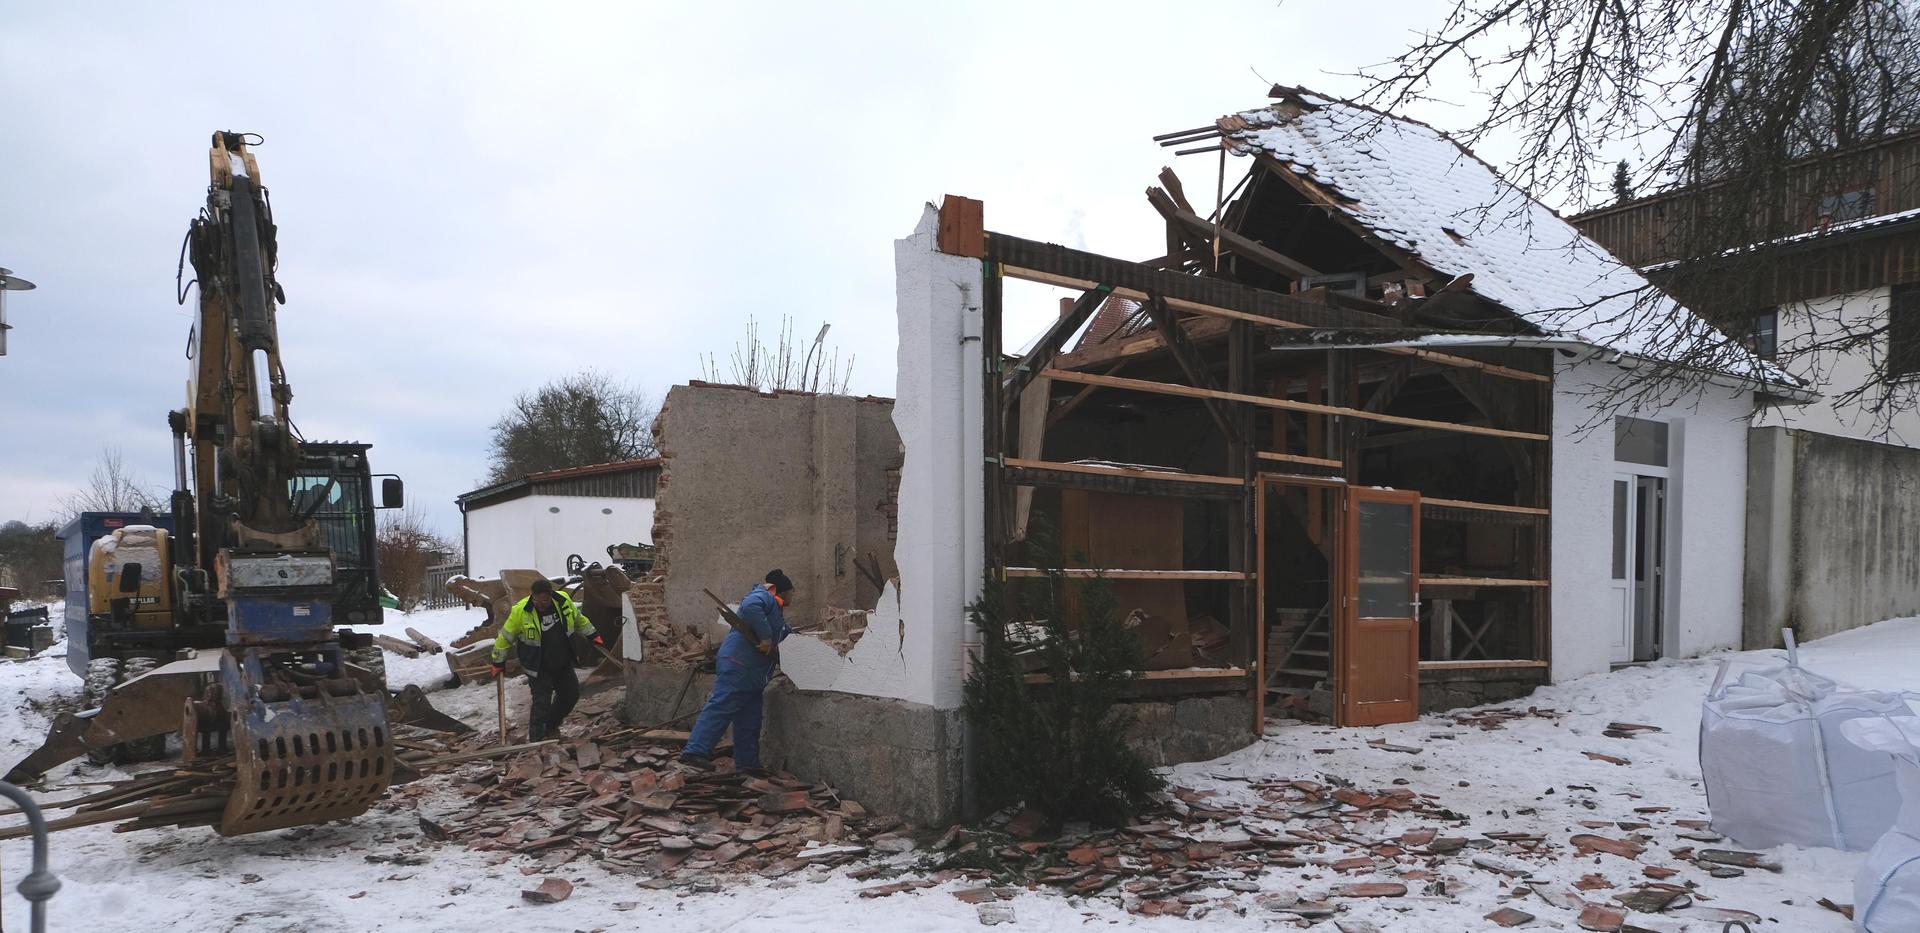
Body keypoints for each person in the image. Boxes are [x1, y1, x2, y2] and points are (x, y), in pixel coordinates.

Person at [680, 569, 795, 770]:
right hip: (739, 663)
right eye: (792, 591)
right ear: (782, 591)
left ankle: (748, 765)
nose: (793, 595)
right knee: (722, 705)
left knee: (750, 720)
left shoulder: (775, 613)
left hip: (753, 674)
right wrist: (766, 637)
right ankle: (695, 751)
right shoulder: (764, 597)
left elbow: (784, 633)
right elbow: (750, 608)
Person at [490, 578, 603, 741]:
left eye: (544, 600)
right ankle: (536, 739)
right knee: (541, 703)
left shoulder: (563, 601)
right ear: (532, 596)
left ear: (550, 596)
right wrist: (497, 662)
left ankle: (550, 726)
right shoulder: (521, 611)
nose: (540, 604)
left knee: (570, 695)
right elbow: (505, 637)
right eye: (536, 600)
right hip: (537, 665)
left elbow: (578, 620)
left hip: (562, 662)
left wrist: (592, 634)